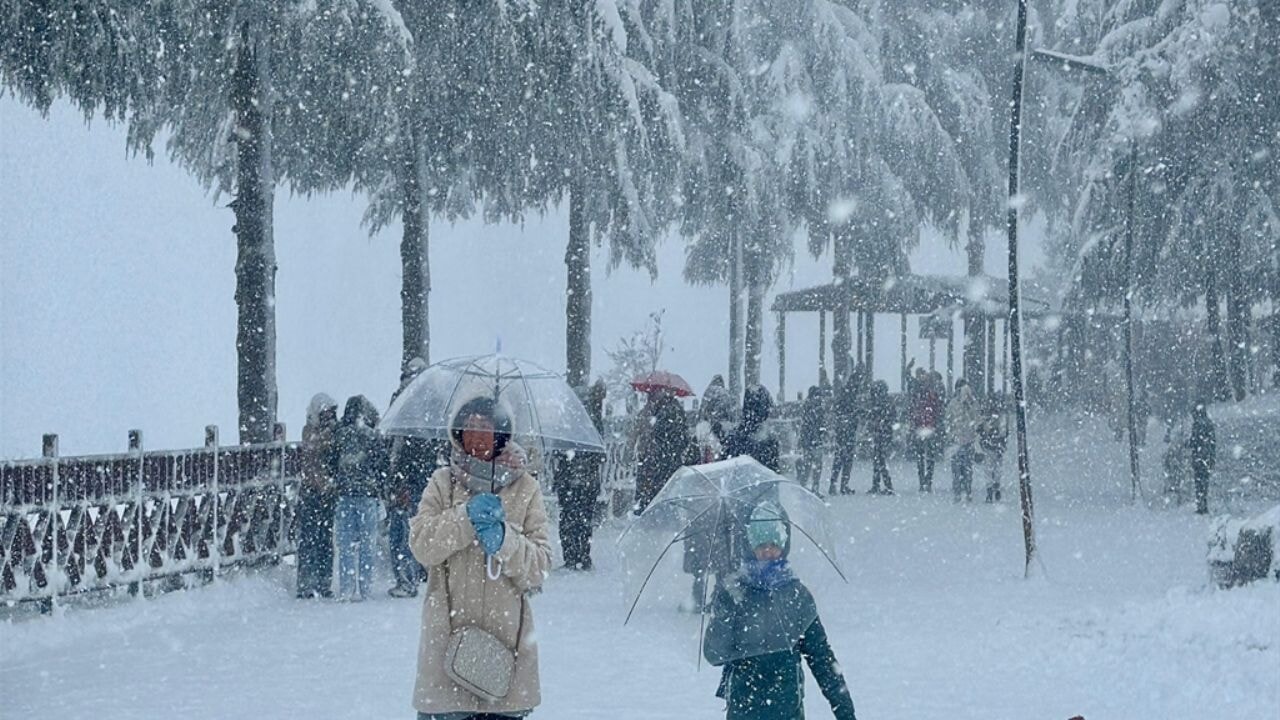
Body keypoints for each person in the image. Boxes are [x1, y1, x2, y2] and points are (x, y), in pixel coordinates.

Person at [409, 396, 551, 719]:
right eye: (469, 426)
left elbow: (540, 568)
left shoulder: (526, 489)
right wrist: (463, 519)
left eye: (485, 428)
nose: (475, 436)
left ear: (502, 433)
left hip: (506, 666)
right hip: (446, 667)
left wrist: (505, 541)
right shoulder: (443, 483)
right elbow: (420, 543)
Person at [703, 502, 858, 720]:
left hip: (787, 710)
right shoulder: (734, 593)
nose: (768, 551)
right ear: (749, 545)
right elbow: (714, 654)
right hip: (743, 710)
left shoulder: (796, 595)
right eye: (761, 544)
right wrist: (726, 608)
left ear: (784, 544)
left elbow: (821, 657)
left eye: (774, 543)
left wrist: (845, 712)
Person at [333, 395, 388, 602]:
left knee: (345, 544)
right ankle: (365, 587)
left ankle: (346, 588)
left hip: (345, 495)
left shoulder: (340, 434)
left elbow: (331, 462)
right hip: (367, 495)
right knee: (367, 544)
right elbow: (382, 464)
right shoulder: (372, 436)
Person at [555, 380, 607, 570]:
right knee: (583, 518)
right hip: (585, 481)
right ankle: (582, 556)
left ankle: (573, 556)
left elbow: (557, 450)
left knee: (570, 518)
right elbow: (601, 454)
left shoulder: (569, 421)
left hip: (570, 480)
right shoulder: (593, 421)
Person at [296, 393, 339, 599]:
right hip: (311, 493)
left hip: (326, 494)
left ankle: (323, 582)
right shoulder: (310, 432)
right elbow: (312, 451)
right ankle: (306, 583)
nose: (329, 417)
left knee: (324, 540)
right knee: (309, 539)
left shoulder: (333, 433)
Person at [388, 435, 438, 597]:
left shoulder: (413, 441)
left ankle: (407, 581)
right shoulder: (426, 440)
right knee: (404, 538)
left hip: (409, 493)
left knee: (404, 540)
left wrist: (403, 485)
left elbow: (414, 467)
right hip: (410, 492)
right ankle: (409, 578)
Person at [634, 387, 690, 513]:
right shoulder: (678, 411)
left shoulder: (657, 412)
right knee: (667, 487)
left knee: (650, 486)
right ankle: (663, 510)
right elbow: (685, 438)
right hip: (671, 457)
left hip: (656, 456)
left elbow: (651, 433)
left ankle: (645, 509)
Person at [723, 385, 780, 473]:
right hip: (763, 482)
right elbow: (774, 471)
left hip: (742, 481)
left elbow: (728, 469)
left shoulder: (734, 438)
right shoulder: (770, 441)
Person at [827, 371, 862, 496]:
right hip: (847, 431)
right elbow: (848, 411)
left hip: (843, 430)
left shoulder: (845, 393)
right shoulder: (850, 395)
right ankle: (842, 485)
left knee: (840, 458)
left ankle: (835, 484)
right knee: (846, 459)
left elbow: (838, 409)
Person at [908, 368, 944, 493]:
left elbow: (914, 411)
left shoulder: (918, 397)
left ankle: (924, 481)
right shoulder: (932, 396)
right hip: (928, 428)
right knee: (928, 456)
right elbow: (937, 411)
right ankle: (927, 481)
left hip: (922, 428)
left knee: (922, 457)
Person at [946, 380, 981, 503]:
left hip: (968, 440)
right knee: (956, 469)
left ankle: (968, 491)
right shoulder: (952, 404)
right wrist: (951, 435)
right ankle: (957, 492)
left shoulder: (973, 403)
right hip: (956, 441)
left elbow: (977, 420)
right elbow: (948, 421)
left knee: (967, 468)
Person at [796, 385, 828, 495]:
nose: (819, 398)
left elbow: (807, 425)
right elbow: (817, 425)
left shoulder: (810, 407)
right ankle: (812, 488)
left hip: (810, 440)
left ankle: (804, 487)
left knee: (810, 465)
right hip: (813, 440)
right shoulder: (815, 408)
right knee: (814, 466)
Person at [865, 380, 895, 495]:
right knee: (879, 461)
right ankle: (880, 484)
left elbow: (878, 417)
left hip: (881, 434)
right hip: (883, 434)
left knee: (879, 461)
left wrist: (877, 423)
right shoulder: (886, 402)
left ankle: (885, 485)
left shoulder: (880, 403)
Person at [1187, 403, 1217, 515]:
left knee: (1199, 483)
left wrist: (1187, 443)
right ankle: (1203, 504)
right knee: (1205, 482)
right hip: (1207, 457)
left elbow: (1195, 441)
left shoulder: (1197, 424)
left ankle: (1201, 506)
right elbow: (1213, 442)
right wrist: (1212, 457)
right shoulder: (1208, 423)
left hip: (1199, 458)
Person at [977, 395, 1008, 503]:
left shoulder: (988, 417)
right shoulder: (1000, 416)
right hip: (994, 446)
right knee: (995, 468)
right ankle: (995, 487)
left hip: (990, 447)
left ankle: (991, 489)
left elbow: (980, 430)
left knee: (989, 469)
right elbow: (1004, 432)